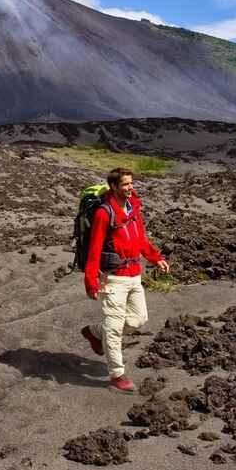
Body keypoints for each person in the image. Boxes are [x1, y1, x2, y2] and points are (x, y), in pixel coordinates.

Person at [80, 168, 170, 393]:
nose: (131, 188)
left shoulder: (133, 207)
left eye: (131, 183)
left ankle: (93, 332)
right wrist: (91, 281)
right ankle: (117, 375)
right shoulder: (104, 213)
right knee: (114, 329)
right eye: (125, 185)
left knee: (139, 319)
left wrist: (155, 257)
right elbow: (94, 249)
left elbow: (140, 238)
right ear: (113, 187)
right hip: (113, 278)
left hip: (134, 274)